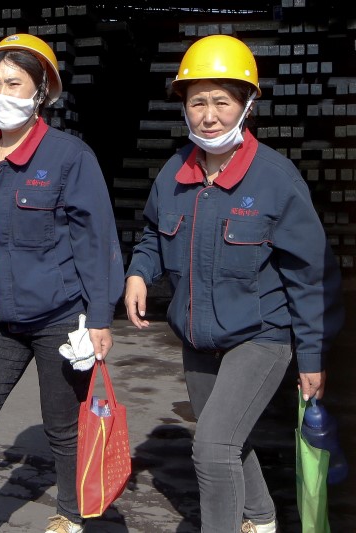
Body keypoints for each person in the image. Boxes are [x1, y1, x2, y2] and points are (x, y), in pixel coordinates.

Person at [123, 34, 345, 533]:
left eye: (221, 101)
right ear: (183, 106)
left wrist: (312, 356)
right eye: (197, 101)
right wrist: (139, 270)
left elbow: (311, 276)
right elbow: (154, 235)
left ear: (246, 104)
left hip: (262, 335)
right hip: (198, 336)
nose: (208, 115)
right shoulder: (173, 173)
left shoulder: (274, 179)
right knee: (228, 439)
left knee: (212, 447)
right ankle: (261, 520)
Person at [0, 33, 124, 533]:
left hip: (59, 319)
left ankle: (70, 515)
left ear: (40, 92)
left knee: (64, 431)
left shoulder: (69, 157)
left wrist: (101, 315)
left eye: (14, 84)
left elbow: (96, 241)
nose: (2, 94)